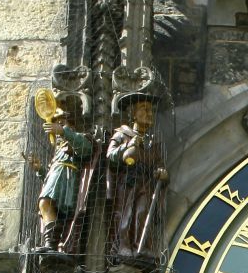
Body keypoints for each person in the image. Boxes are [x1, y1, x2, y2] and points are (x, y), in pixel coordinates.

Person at [106, 95, 168, 262]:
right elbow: (110, 156)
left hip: (146, 183)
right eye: (144, 109)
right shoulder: (122, 134)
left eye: (151, 110)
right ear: (133, 113)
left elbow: (159, 164)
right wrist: (129, 144)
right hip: (127, 182)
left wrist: (162, 172)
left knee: (142, 213)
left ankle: (141, 246)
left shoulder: (153, 142)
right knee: (125, 214)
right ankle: (123, 247)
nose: (149, 114)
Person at [36, 106, 94, 252]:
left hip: (69, 180)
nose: (58, 126)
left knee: (46, 204)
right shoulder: (58, 149)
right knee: (47, 206)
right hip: (58, 178)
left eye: (62, 123)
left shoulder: (79, 138)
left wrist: (63, 131)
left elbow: (86, 149)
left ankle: (53, 244)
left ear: (71, 125)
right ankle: (52, 245)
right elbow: (49, 178)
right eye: (57, 124)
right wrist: (39, 169)